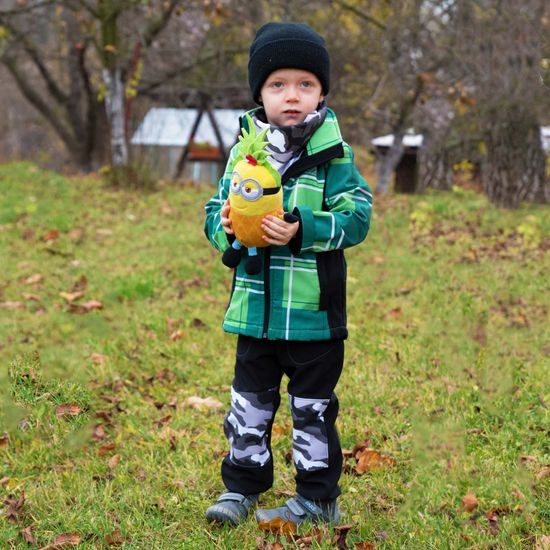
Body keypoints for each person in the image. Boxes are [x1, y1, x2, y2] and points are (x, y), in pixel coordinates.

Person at [204, 21, 372, 529]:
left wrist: (304, 227)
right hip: (253, 310)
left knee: (312, 410)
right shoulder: (244, 154)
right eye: (278, 85)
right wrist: (227, 227)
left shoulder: (333, 155)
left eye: (305, 85)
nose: (292, 96)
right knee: (248, 407)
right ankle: (241, 489)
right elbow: (215, 210)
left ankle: (318, 500)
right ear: (260, 92)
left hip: (313, 316)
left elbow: (358, 217)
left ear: (321, 92)